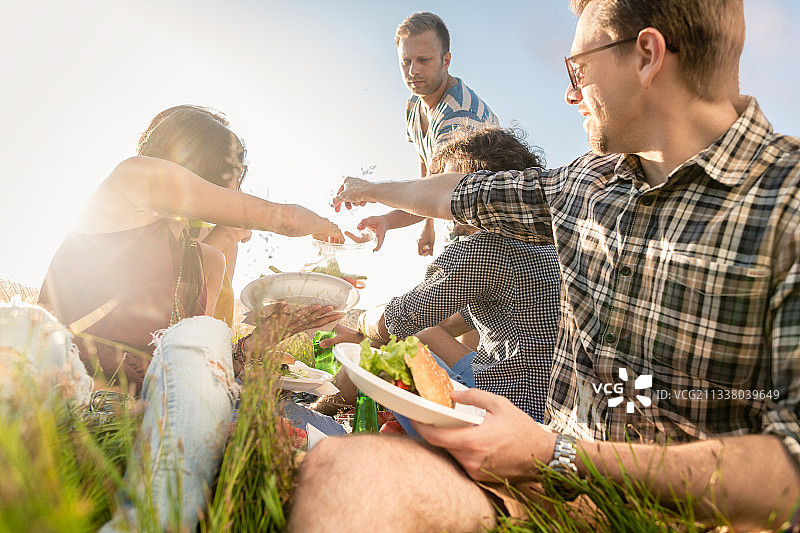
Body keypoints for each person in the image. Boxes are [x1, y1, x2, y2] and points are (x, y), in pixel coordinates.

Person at [293, 1, 800, 531]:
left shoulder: (786, 201)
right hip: (542, 486)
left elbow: (791, 469)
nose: (569, 93)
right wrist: (372, 192)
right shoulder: (585, 183)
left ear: (647, 56)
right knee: (342, 473)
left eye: (576, 69)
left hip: (661, 513)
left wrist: (554, 453)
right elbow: (462, 192)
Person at [33, 104, 344, 531]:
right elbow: (280, 217)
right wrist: (317, 224)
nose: (233, 204)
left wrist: (271, 335)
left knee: (323, 433)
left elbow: (205, 371)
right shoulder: (130, 183)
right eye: (232, 185)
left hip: (152, 413)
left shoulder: (207, 262)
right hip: (69, 392)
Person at [314, 126, 560, 422]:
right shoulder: (542, 244)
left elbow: (400, 318)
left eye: (443, 185)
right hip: (541, 393)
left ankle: (327, 409)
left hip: (510, 404)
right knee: (414, 332)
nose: (433, 200)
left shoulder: (484, 246)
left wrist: (363, 324)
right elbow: (442, 322)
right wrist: (366, 334)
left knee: (395, 335)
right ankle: (338, 402)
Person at [356, 12, 498, 257]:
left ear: (446, 60)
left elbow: (442, 192)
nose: (413, 71)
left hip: (491, 237)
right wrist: (427, 225)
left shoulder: (460, 115)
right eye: (405, 61)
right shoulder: (413, 106)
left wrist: (381, 208)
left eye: (423, 60)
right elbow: (427, 161)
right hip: (454, 225)